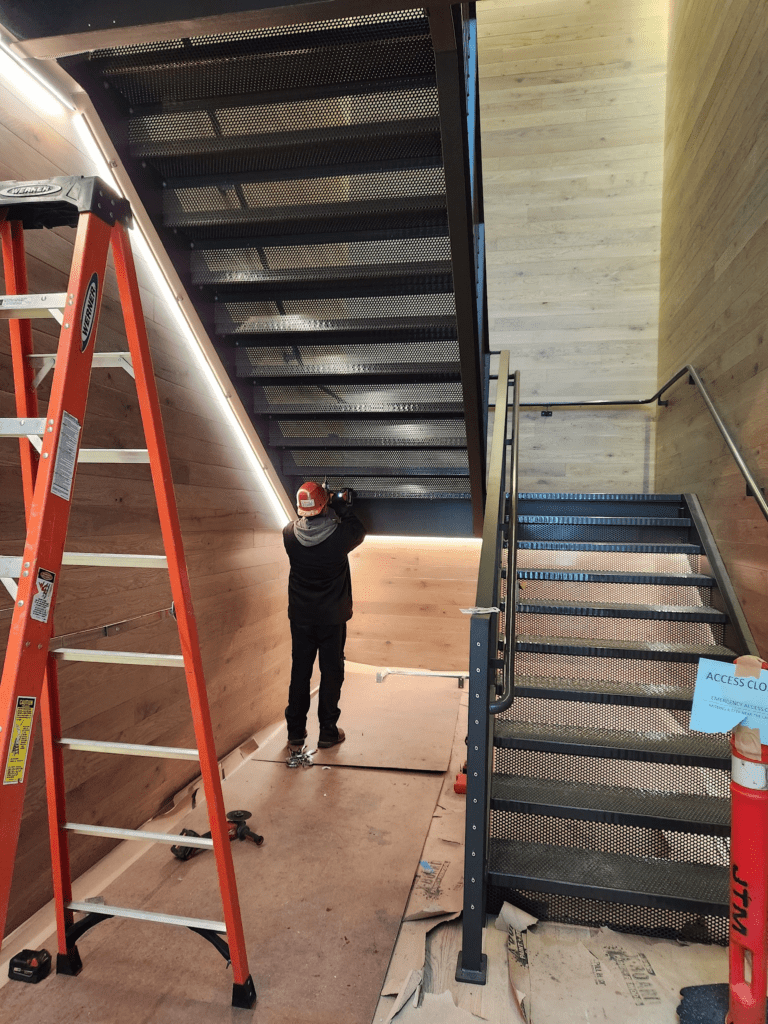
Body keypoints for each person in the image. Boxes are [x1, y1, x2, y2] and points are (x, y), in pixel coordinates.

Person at [282, 481, 366, 751]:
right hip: (332, 618)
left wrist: (328, 505)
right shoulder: (339, 537)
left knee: (300, 673)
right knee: (331, 673)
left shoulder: (289, 536)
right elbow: (359, 530)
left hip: (301, 617)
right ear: (324, 505)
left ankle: (295, 732)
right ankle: (327, 732)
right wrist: (341, 506)